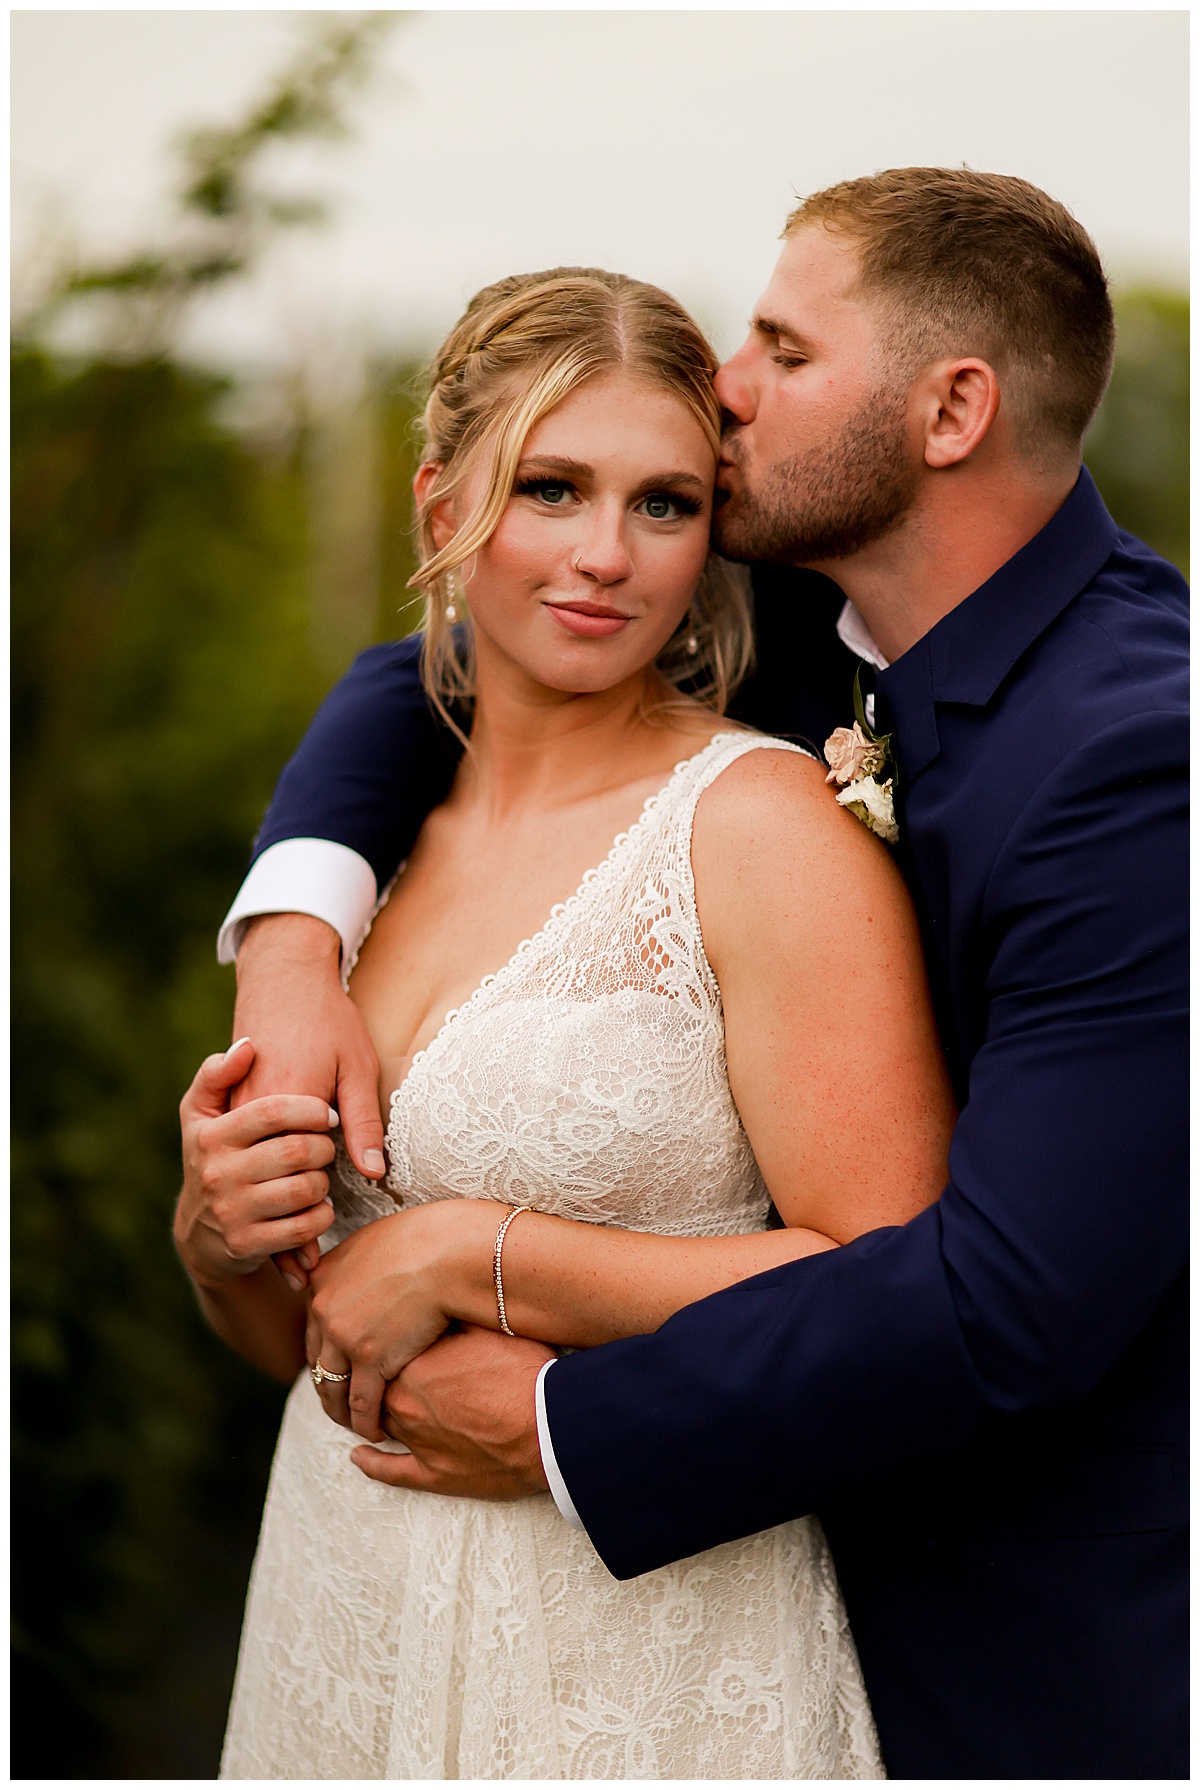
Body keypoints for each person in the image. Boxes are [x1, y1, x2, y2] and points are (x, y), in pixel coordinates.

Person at [201, 170, 1188, 1778]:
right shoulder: (811, 616)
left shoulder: (1143, 756)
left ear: (951, 410)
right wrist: (294, 943)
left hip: (1010, 1630)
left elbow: (1004, 1302)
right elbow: (436, 668)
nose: (728, 387)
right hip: (370, 1580)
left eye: (784, 349)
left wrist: (529, 1366)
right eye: (559, 490)